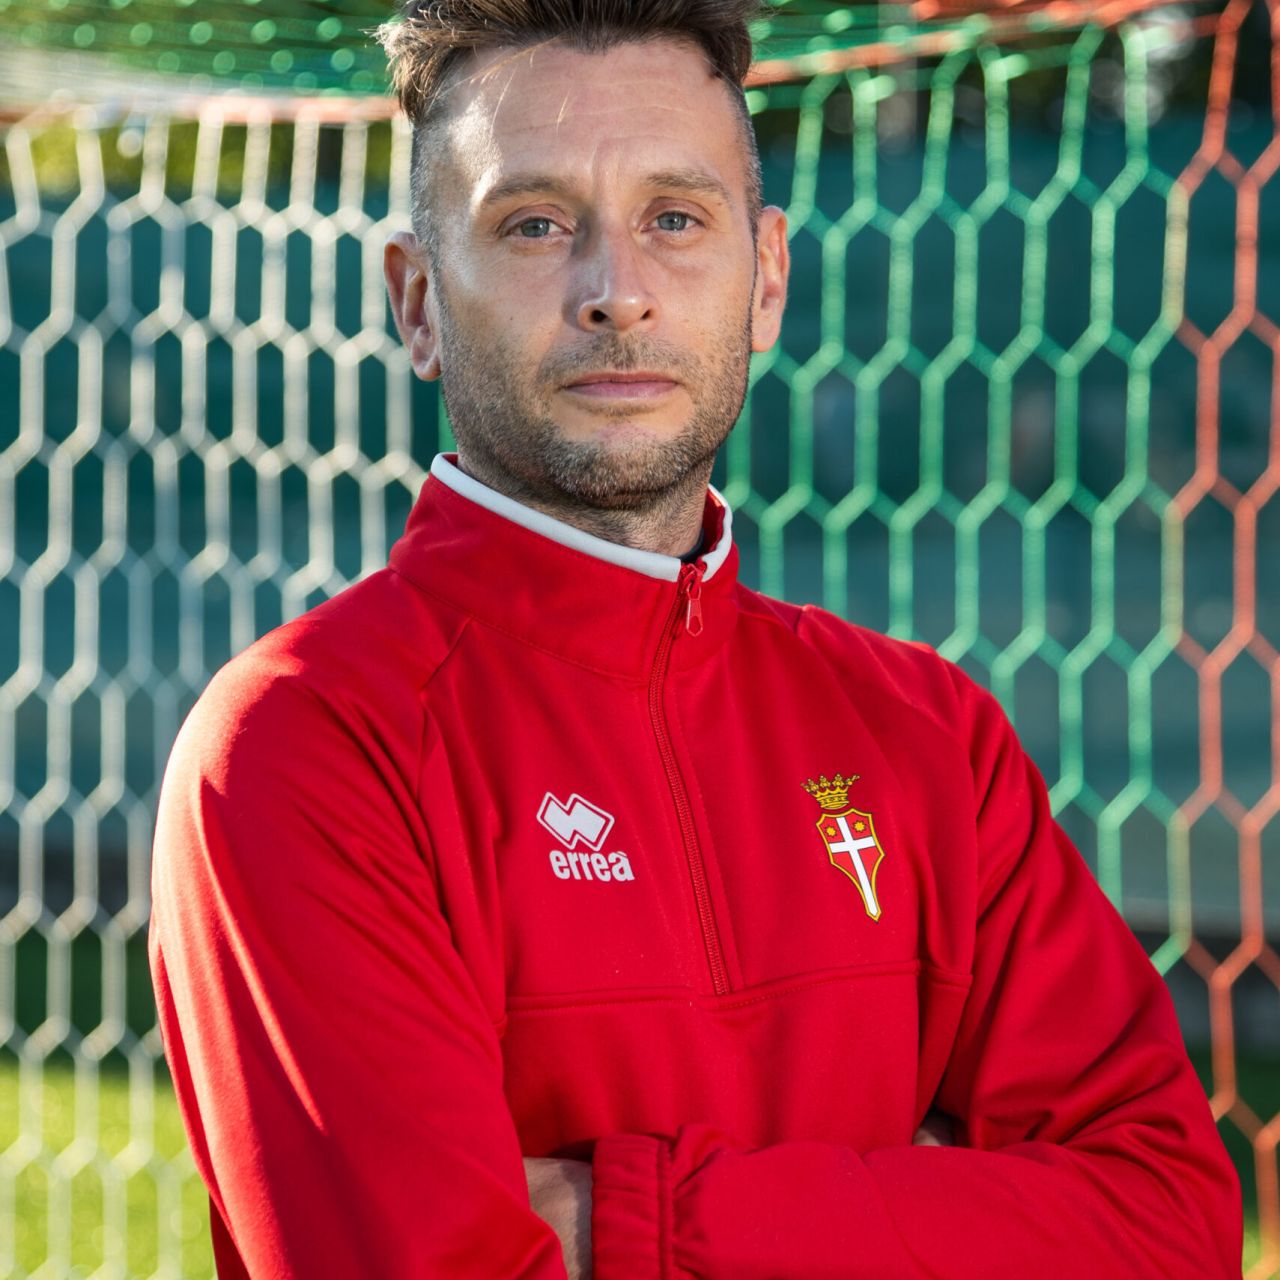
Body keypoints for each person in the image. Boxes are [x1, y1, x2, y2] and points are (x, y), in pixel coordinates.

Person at [147, 1, 1242, 1276]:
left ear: (764, 278)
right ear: (418, 301)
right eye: (534, 223)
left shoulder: (929, 735)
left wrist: (626, 1223)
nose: (616, 292)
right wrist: (939, 1204)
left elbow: (1168, 1220)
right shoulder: (303, 743)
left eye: (674, 218)